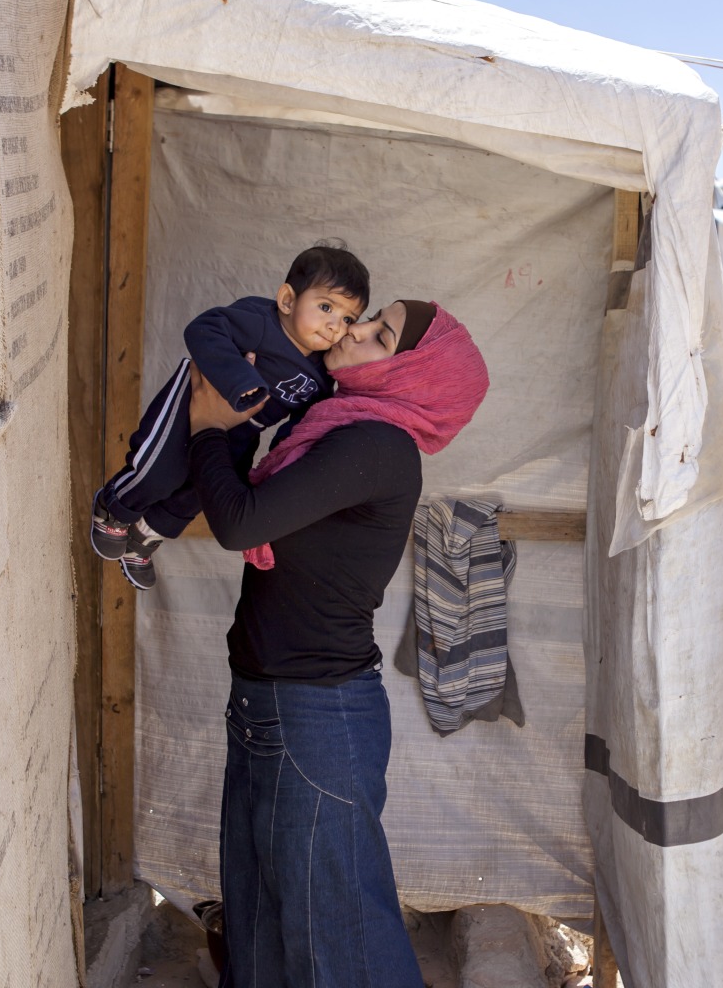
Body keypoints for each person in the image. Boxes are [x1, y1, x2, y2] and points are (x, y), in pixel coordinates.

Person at [186, 299, 490, 988]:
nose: (353, 330)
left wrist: (207, 431)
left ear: (412, 375)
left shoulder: (376, 447)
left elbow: (239, 523)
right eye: (368, 319)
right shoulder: (333, 425)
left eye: (379, 334)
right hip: (277, 705)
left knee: (342, 944)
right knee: (262, 927)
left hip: (313, 718)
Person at [87, 244, 368, 589]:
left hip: (242, 432)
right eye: (326, 307)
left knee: (206, 490)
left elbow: (306, 421)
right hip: (193, 402)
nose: (334, 326)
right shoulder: (261, 321)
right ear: (288, 300)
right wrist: (240, 380)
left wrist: (281, 454)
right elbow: (203, 330)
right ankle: (115, 506)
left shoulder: (320, 374)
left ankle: (145, 537)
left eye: (347, 319)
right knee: (162, 470)